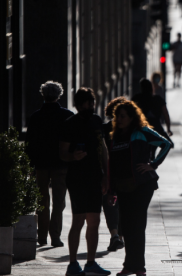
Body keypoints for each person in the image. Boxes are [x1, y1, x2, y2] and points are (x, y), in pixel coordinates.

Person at [106, 101, 172, 276]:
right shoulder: (115, 136)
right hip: (122, 186)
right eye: (117, 116)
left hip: (142, 185)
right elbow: (112, 165)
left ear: (131, 117)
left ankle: (139, 267)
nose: (118, 119)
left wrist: (153, 164)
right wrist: (111, 190)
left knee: (137, 224)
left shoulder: (142, 131)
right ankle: (129, 265)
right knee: (126, 226)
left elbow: (166, 144)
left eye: (122, 116)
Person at [59, 88, 111, 276]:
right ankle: (73, 264)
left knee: (95, 221)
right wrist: (73, 156)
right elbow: (62, 153)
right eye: (88, 103)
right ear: (79, 105)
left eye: (93, 102)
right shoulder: (70, 124)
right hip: (77, 178)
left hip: (95, 177)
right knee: (78, 220)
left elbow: (103, 148)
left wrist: (106, 174)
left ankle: (90, 262)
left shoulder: (97, 121)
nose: (92, 106)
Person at [25, 81, 75, 247]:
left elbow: (30, 143)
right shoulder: (67, 116)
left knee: (42, 201)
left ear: (43, 95)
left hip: (41, 164)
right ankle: (55, 236)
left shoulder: (36, 116)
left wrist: (29, 164)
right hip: (61, 163)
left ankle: (42, 236)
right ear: (59, 95)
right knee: (59, 201)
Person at [102, 97, 128, 252]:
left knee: (110, 204)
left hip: (110, 172)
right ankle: (118, 236)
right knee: (119, 204)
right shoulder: (125, 130)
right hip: (118, 173)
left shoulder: (104, 129)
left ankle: (115, 236)